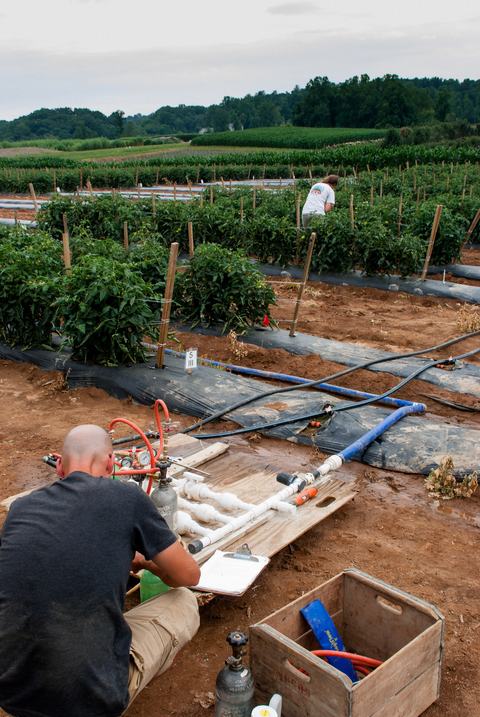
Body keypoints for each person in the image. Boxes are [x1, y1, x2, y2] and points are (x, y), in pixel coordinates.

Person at [0, 424, 201, 717]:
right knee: (185, 601)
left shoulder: (20, 508)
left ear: (59, 467)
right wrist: (144, 562)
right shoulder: (128, 499)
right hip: (89, 702)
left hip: (12, 693)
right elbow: (189, 576)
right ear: (110, 463)